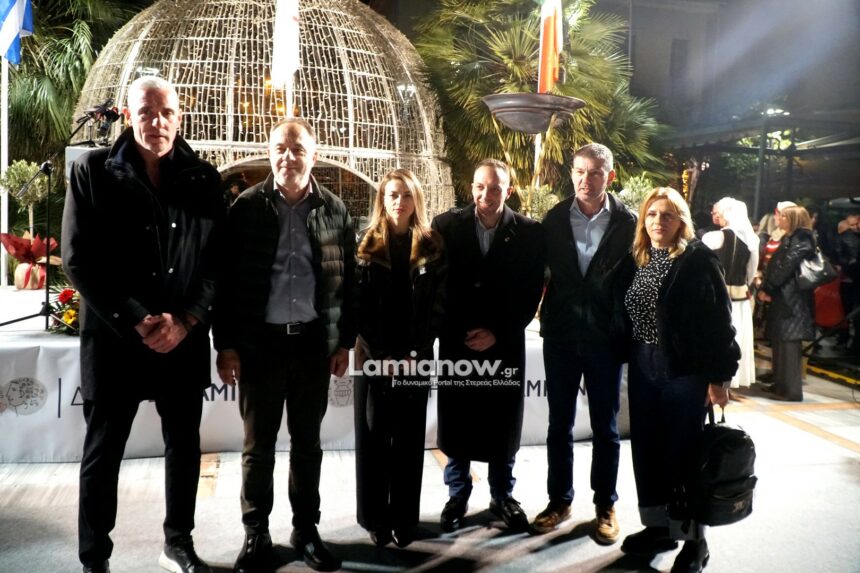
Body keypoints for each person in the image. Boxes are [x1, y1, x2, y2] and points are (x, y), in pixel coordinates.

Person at [62, 75, 224, 573]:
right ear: (128, 116)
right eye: (147, 112)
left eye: (167, 112)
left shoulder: (203, 178)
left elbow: (219, 262)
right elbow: (78, 259)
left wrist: (188, 320)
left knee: (184, 447)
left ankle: (178, 543)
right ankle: (95, 558)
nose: (158, 122)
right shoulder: (92, 171)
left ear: (180, 117)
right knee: (103, 452)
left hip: (182, 338)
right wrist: (137, 319)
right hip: (115, 340)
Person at [213, 118, 356, 572]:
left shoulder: (335, 209)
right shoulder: (245, 208)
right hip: (260, 347)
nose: (288, 157)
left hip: (313, 346)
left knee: (307, 445)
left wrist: (343, 342)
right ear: (269, 152)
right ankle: (256, 533)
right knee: (258, 447)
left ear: (314, 156)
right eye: (280, 148)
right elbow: (226, 282)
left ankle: (306, 530)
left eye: (297, 149)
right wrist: (226, 344)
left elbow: (347, 282)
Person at [618, 187, 738, 573]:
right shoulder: (641, 257)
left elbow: (720, 322)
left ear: (681, 221)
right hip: (644, 369)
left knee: (684, 459)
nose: (658, 222)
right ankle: (659, 528)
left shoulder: (697, 260)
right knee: (648, 454)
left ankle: (694, 542)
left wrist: (720, 378)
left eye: (667, 215)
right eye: (652, 215)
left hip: (684, 374)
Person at [431, 159, 545, 533]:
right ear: (472, 187)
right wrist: (458, 331)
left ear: (508, 191)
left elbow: (531, 291)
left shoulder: (529, 232)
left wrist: (498, 331)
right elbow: (437, 286)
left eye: (495, 188)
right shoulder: (445, 226)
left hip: (504, 343)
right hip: (458, 343)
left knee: (502, 423)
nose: (486, 194)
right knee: (457, 421)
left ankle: (502, 496)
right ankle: (457, 495)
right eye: (480, 186)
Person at [534, 143, 636, 543]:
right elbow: (536, 275)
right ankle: (559, 501)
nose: (585, 179)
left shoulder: (629, 222)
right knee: (558, 424)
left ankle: (605, 505)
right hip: (560, 335)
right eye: (579, 171)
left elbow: (640, 282)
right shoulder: (555, 218)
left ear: (610, 176)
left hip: (605, 340)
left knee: (605, 428)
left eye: (594, 172)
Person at [352, 168, 446, 548]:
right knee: (373, 442)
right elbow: (356, 307)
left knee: (408, 442)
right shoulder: (365, 244)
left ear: (416, 200)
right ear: (382, 199)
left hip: (415, 358)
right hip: (373, 359)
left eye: (406, 195)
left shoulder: (432, 246)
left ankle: (405, 520)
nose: (399, 202)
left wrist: (414, 353)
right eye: (392, 194)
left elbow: (439, 306)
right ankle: (374, 518)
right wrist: (382, 357)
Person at [757, 206, 817, 401]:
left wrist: (768, 288)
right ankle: (780, 385)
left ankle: (791, 391)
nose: (779, 219)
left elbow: (786, 266)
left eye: (783, 216)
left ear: (793, 219)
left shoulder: (802, 239)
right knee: (780, 341)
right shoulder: (791, 238)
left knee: (788, 344)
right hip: (784, 297)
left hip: (792, 299)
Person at [702, 197, 759, 389]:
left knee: (717, 335)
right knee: (739, 336)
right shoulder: (752, 241)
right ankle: (731, 381)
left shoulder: (713, 238)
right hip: (740, 297)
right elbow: (751, 272)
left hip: (716, 296)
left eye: (717, 211)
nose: (715, 215)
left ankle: (714, 379)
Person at [834, 211, 860, 350]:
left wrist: (846, 267)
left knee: (845, 310)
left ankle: (844, 337)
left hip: (847, 278)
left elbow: (838, 256)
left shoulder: (842, 238)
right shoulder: (852, 237)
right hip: (854, 277)